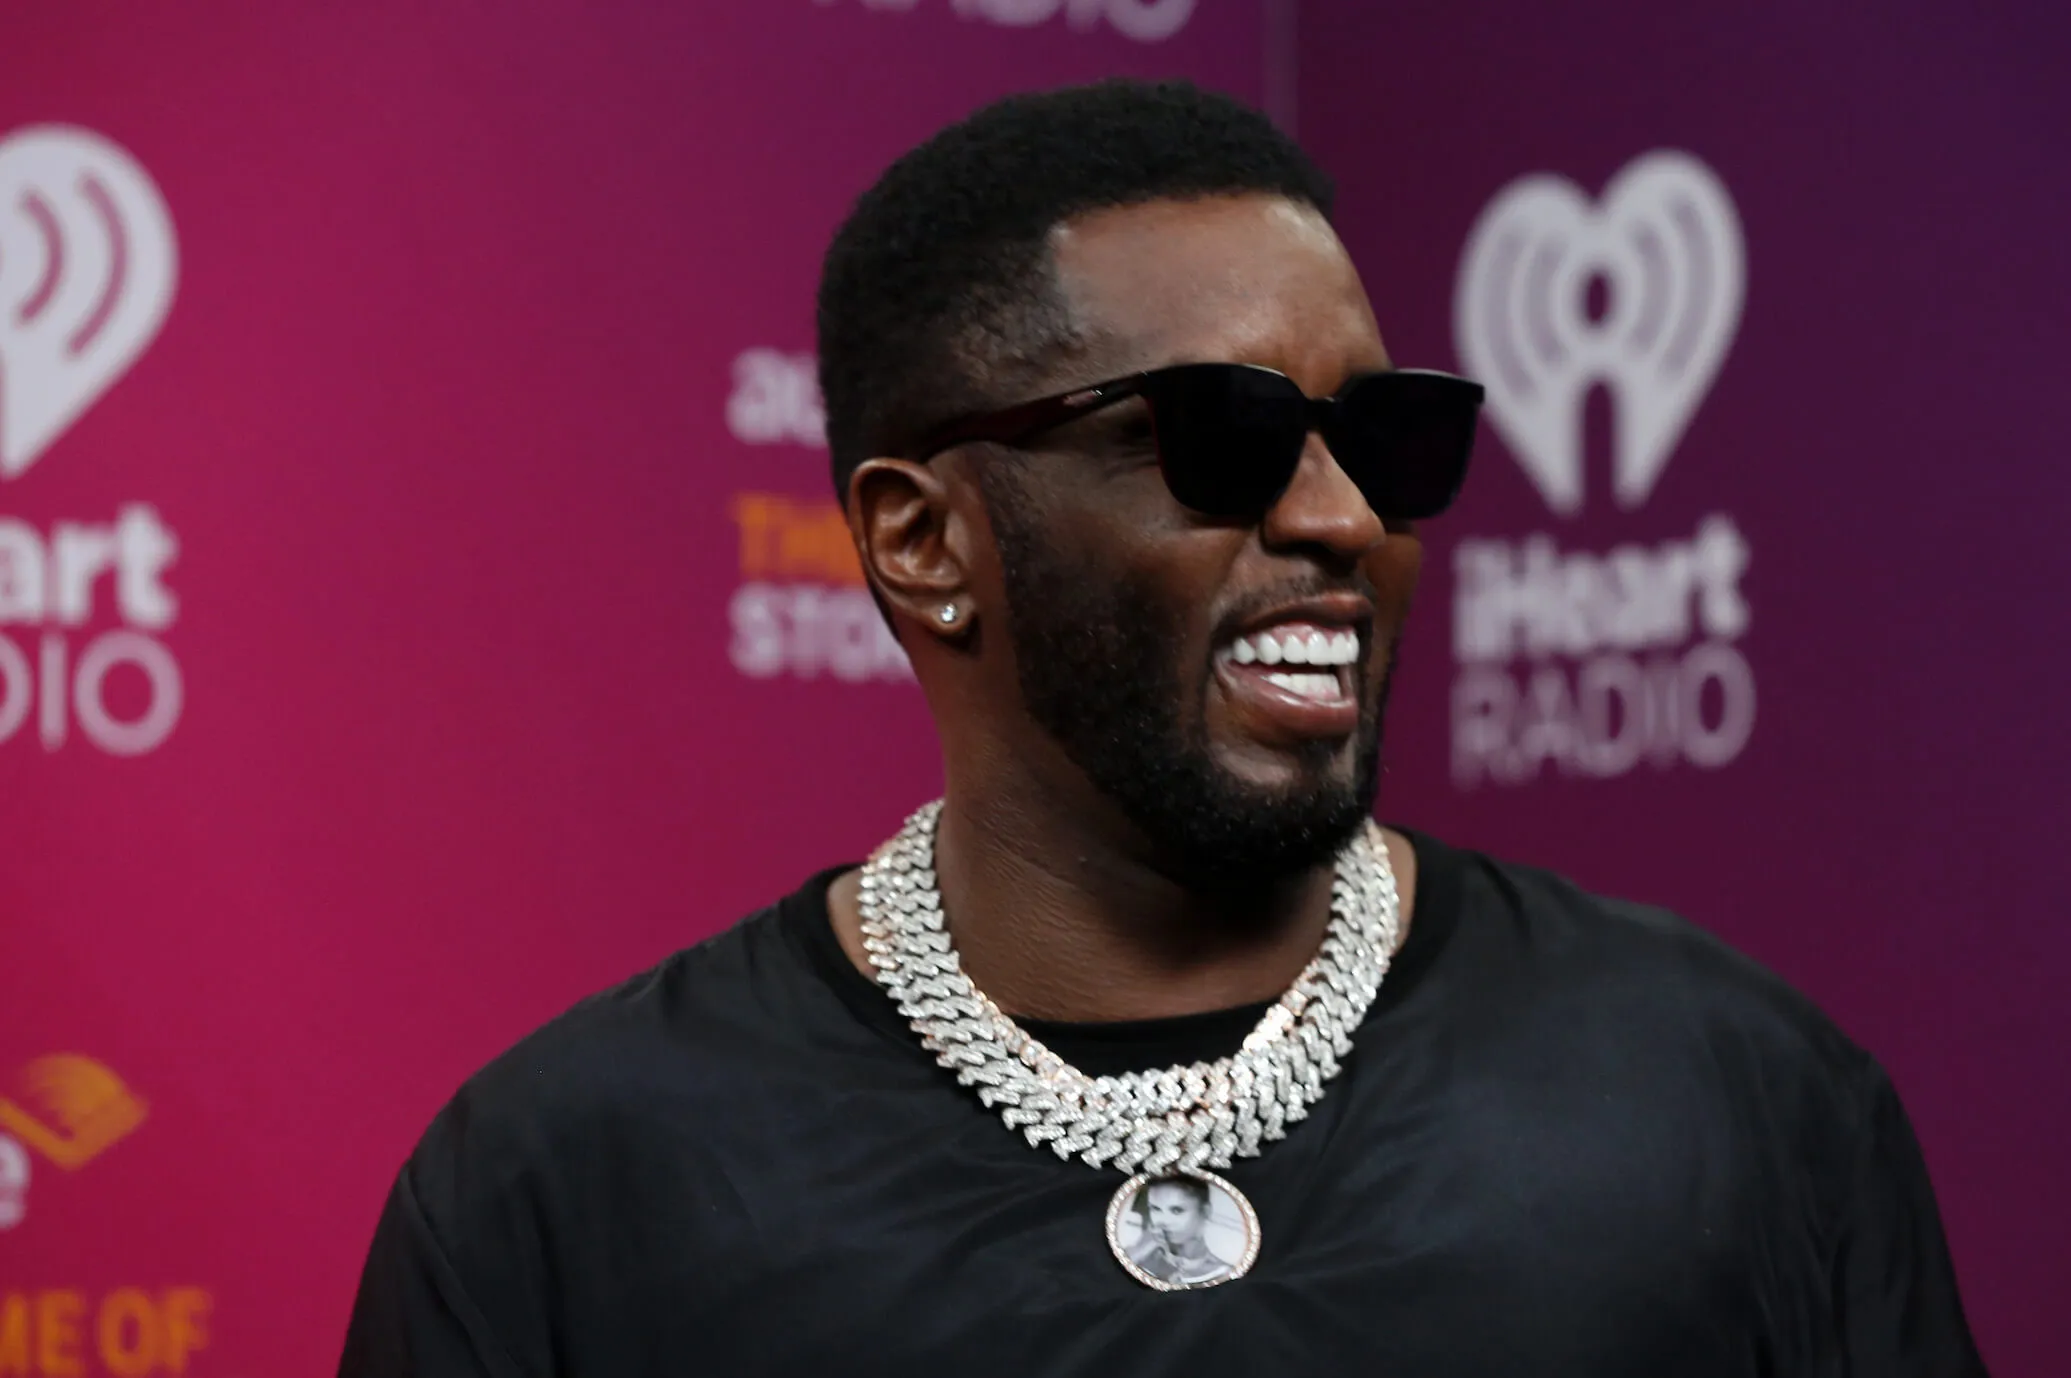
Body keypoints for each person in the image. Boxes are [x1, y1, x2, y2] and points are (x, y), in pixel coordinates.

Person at [339, 80, 1987, 1376]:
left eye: (1385, 435)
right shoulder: (566, 1187)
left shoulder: (1730, 1088)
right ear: (925, 541)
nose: (1342, 517)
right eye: (1227, 434)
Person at [1126, 1178, 1235, 1286]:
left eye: (1177, 1210)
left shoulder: (1224, 1271)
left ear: (1206, 1212)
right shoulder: (1136, 1257)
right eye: (1155, 1209)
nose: (1163, 1221)